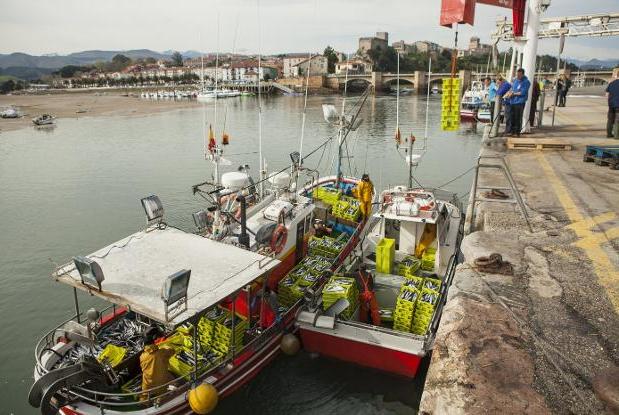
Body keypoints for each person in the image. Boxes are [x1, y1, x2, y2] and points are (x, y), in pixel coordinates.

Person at [140, 326, 174, 401]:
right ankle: (160, 401)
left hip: (147, 383)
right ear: (154, 339)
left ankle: (143, 403)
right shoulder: (162, 353)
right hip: (160, 383)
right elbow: (172, 351)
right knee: (174, 382)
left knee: (144, 397)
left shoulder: (142, 356)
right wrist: (166, 347)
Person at [509, 68, 530, 137]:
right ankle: (512, 131)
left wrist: (514, 94)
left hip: (520, 102)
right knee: (512, 117)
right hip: (512, 101)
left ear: (522, 74)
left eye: (519, 75)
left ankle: (517, 132)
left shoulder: (526, 82)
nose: (517, 76)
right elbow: (512, 88)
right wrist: (510, 93)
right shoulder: (515, 80)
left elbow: (523, 92)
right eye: (517, 75)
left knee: (518, 117)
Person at [606, 72, 619, 138]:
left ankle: (609, 134)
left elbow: (607, 95)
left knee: (610, 120)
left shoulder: (611, 83)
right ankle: (616, 136)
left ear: (617, 75)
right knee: (617, 120)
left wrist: (610, 103)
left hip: (611, 105)